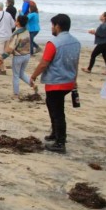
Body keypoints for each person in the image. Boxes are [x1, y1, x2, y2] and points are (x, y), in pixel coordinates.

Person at [30, 14, 80, 154]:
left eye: (52, 25)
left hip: (56, 82)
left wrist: (33, 76)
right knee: (54, 108)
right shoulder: (76, 42)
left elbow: (44, 63)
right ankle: (55, 134)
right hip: (68, 81)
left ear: (57, 26)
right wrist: (75, 79)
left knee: (57, 112)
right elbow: (75, 63)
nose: (52, 28)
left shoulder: (53, 43)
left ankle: (60, 142)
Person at [2, 15, 36, 98]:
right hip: (27, 55)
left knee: (16, 75)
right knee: (21, 73)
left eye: (16, 21)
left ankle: (16, 93)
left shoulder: (16, 34)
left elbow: (11, 47)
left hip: (18, 56)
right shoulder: (27, 31)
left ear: (18, 23)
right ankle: (32, 84)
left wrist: (3, 57)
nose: (15, 22)